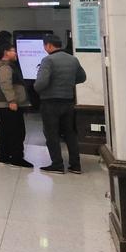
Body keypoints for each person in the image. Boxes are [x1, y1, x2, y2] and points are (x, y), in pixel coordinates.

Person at [34, 33, 87, 174]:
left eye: (45, 46)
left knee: (52, 134)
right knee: (70, 133)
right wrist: (68, 83)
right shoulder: (73, 60)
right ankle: (75, 165)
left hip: (50, 102)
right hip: (68, 102)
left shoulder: (48, 60)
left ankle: (57, 164)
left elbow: (41, 83)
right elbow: (82, 77)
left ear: (49, 45)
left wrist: (36, 87)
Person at [0, 44, 33, 167]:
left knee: (5, 130)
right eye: (13, 51)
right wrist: (12, 100)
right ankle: (16, 157)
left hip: (3, 104)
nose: (16, 54)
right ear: (6, 52)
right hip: (7, 104)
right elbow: (5, 84)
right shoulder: (4, 67)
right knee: (16, 131)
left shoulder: (2, 65)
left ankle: (4, 155)